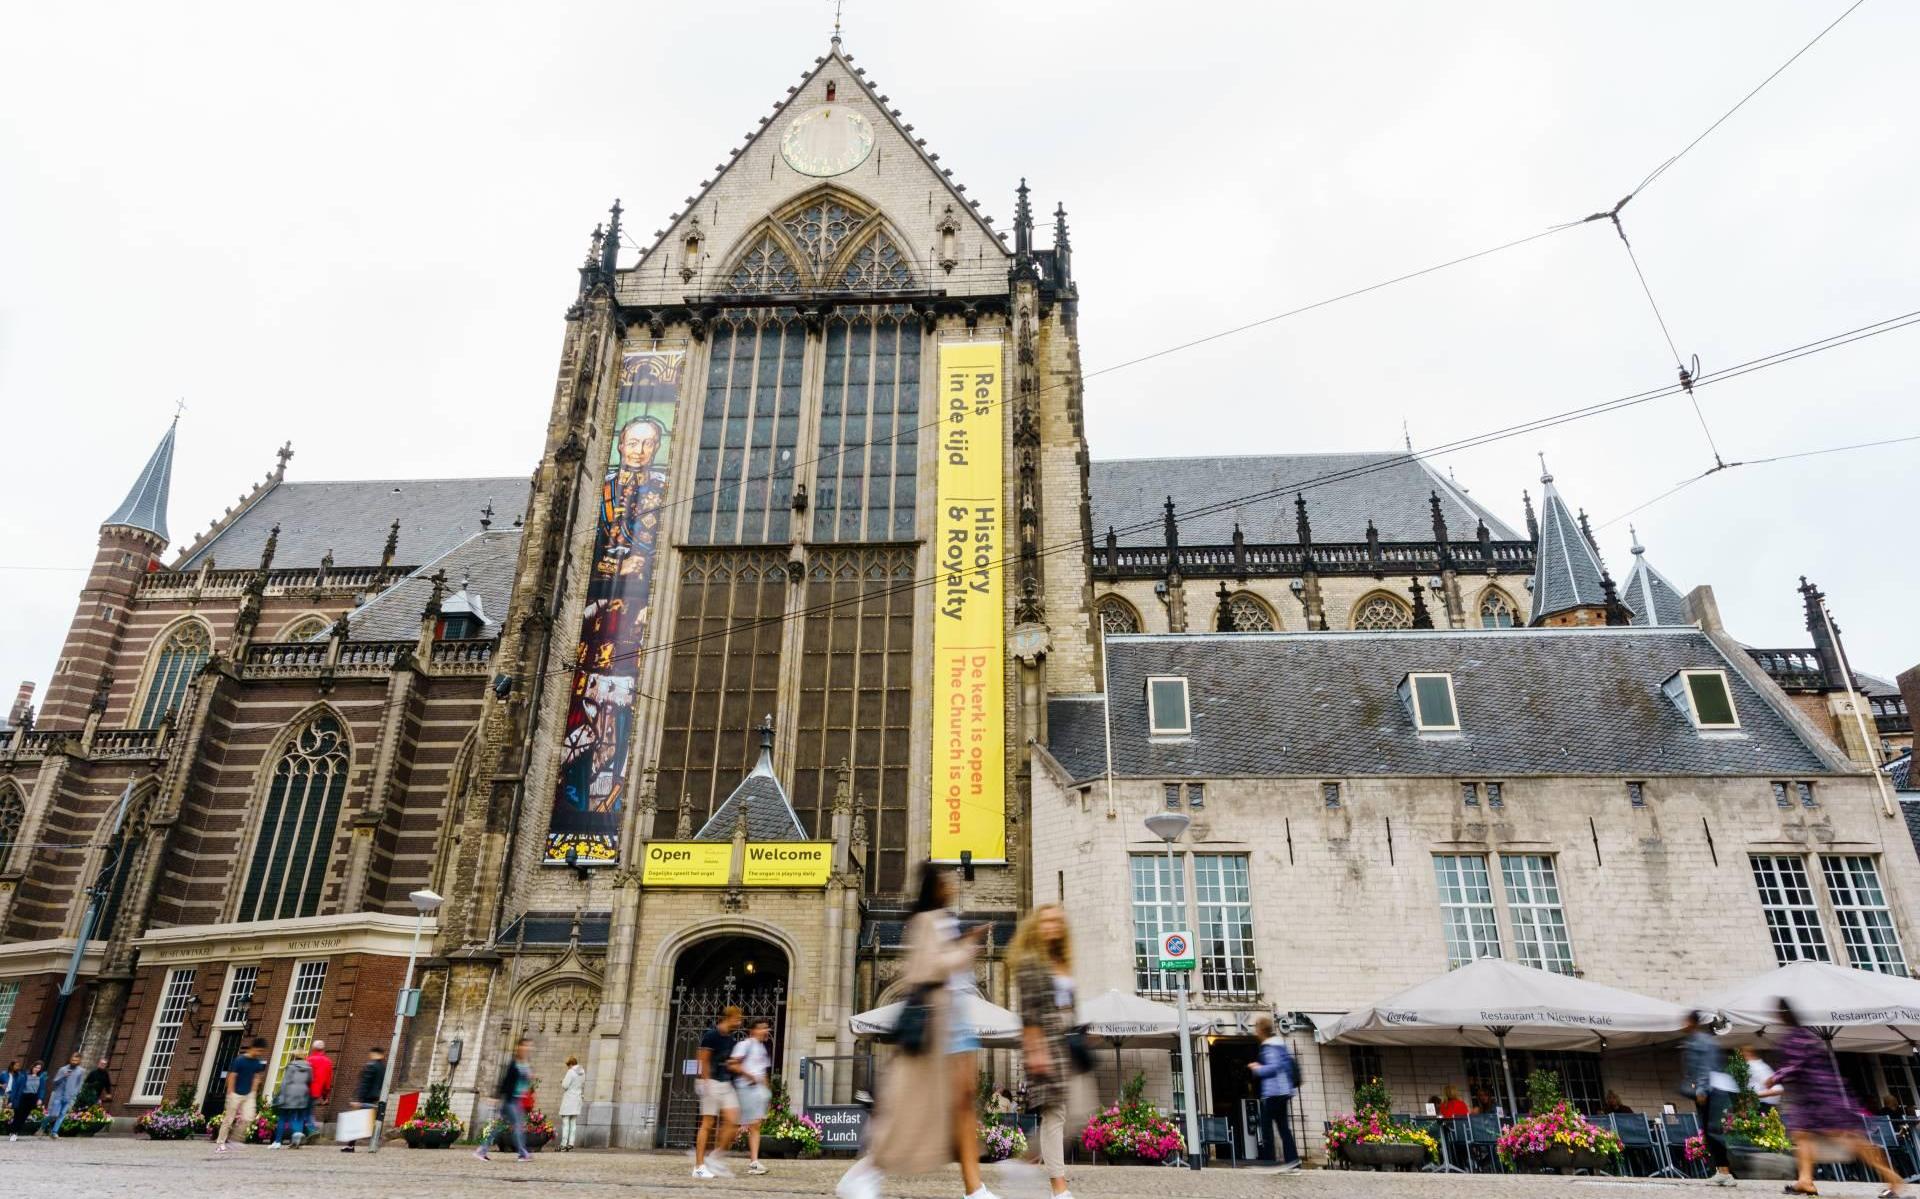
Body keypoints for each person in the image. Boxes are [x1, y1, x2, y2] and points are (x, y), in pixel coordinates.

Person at [838, 862, 998, 1199]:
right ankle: (866, 1172)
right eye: (945, 880)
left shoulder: (942, 921)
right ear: (934, 886)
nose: (952, 883)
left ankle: (975, 1189)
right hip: (936, 1024)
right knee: (917, 1107)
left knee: (963, 1106)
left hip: (955, 1021)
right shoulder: (928, 921)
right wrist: (966, 947)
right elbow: (928, 969)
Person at [1772, 998, 1909, 1197]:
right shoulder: (1801, 1035)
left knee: (1850, 1140)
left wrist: (1775, 1077)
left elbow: (1797, 1065)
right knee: (1802, 1135)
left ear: (1783, 1015)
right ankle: (1805, 1180)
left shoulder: (1797, 1037)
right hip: (1813, 1097)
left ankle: (1893, 1178)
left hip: (1823, 1097)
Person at [1007, 903, 1082, 1198]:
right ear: (1036, 926)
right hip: (1044, 1045)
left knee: (1070, 1115)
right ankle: (1059, 1189)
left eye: (1057, 921)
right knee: (1056, 1114)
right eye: (1047, 921)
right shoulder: (1030, 961)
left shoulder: (1061, 960)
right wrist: (1036, 1050)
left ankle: (1024, 1164)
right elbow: (1030, 1011)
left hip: (1065, 1045)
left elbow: (1068, 1006)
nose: (1052, 926)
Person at [1680, 1010, 1735, 1187]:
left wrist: (1701, 1089)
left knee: (1712, 1130)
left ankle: (1726, 1172)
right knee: (1709, 1130)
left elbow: (1706, 1066)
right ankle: (1721, 1170)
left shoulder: (1701, 1041)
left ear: (1691, 1022)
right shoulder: (1696, 1040)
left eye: (1685, 1021)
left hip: (1711, 1090)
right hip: (1709, 1089)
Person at [691, 1006, 743, 1178]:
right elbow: (703, 1059)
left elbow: (728, 1062)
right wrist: (705, 1082)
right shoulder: (711, 1035)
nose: (740, 1021)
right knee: (707, 1123)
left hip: (725, 1082)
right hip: (710, 1081)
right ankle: (699, 1167)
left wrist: (737, 1067)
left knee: (733, 1119)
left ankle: (715, 1156)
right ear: (729, 1017)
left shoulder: (731, 1039)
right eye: (738, 1017)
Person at [1250, 1015, 1300, 1170]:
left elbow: (1274, 1067)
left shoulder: (1270, 1046)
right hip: (1283, 1091)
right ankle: (1293, 1161)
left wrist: (1257, 1068)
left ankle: (1269, 1161)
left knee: (1265, 1126)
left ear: (1261, 1030)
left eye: (1256, 1028)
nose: (1255, 1032)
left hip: (1274, 1092)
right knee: (1283, 1128)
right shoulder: (1279, 1044)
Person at [476, 1037, 533, 1163]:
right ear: (519, 1047)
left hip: (517, 1099)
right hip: (510, 1100)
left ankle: (482, 1150)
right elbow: (505, 1081)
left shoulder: (525, 1063)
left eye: (529, 1046)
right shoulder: (514, 1063)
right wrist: (497, 1098)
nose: (528, 1048)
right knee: (518, 1126)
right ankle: (522, 1153)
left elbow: (524, 1082)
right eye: (526, 1045)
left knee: (500, 1126)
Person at [729, 1018, 774, 1176]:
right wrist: (750, 1076)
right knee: (739, 1125)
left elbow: (763, 1072)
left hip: (757, 1091)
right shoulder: (744, 1045)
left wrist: (767, 1094)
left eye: (766, 1028)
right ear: (753, 1030)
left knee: (755, 1125)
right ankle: (716, 1154)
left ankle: (754, 1162)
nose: (766, 1031)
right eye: (762, 1028)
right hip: (746, 1088)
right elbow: (733, 1064)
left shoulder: (761, 1048)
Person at [214, 1038, 269, 1154]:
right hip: (235, 1093)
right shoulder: (239, 1060)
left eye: (261, 1051)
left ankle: (236, 1139)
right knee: (229, 1119)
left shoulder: (257, 1063)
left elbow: (256, 1077)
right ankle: (220, 1143)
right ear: (252, 1048)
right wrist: (230, 1092)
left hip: (249, 1094)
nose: (259, 1053)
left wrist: (253, 1092)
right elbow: (232, 1076)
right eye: (258, 1050)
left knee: (249, 1117)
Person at [339, 1045, 385, 1153]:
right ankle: (375, 1141)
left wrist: (358, 1099)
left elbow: (364, 1083)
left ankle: (350, 1146)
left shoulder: (371, 1065)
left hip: (365, 1097)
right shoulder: (382, 1067)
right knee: (369, 1120)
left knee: (356, 1121)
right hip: (374, 1097)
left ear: (374, 1053)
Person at [272, 1049, 315, 1148]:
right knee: (299, 1117)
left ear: (294, 1056)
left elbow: (285, 1081)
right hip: (302, 1093)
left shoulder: (291, 1066)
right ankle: (297, 1138)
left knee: (283, 1117)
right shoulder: (309, 1067)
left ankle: (277, 1142)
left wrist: (281, 1095)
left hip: (289, 1093)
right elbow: (310, 1080)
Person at [45, 1052, 85, 1136]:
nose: (74, 1062)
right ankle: (43, 1125)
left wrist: (74, 1094)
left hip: (69, 1096)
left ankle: (54, 1132)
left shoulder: (81, 1071)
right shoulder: (62, 1069)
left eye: (76, 1060)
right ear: (70, 1059)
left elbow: (79, 1084)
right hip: (59, 1095)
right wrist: (63, 1076)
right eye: (73, 1060)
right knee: (54, 1115)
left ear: (79, 1061)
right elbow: (55, 1082)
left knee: (62, 1114)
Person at [8, 1060, 45, 1141]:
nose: (37, 1069)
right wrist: (11, 1100)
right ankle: (13, 1132)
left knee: (24, 1117)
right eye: (36, 1067)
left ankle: (15, 1132)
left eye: (39, 1068)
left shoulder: (41, 1078)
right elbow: (16, 1088)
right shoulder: (24, 1076)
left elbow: (41, 1089)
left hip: (32, 1098)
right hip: (23, 1097)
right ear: (33, 1066)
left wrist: (40, 1098)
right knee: (18, 1115)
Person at [557, 1054, 585, 1152]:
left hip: (569, 1099)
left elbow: (565, 1085)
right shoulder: (582, 1072)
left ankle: (563, 1145)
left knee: (566, 1122)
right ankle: (571, 1143)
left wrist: (562, 1081)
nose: (568, 1067)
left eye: (568, 1065)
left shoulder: (570, 1072)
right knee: (573, 1122)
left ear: (570, 1064)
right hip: (577, 1099)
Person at [305, 1039, 334, 1129]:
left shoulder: (308, 1060)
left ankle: (311, 1130)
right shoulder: (328, 1062)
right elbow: (328, 1081)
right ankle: (310, 1129)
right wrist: (325, 1096)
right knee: (309, 1110)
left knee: (306, 1111)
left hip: (305, 1089)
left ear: (313, 1048)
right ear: (323, 1049)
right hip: (316, 1092)